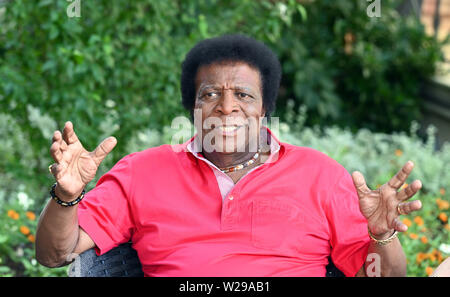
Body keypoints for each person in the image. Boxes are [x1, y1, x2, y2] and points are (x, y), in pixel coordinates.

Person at [36, 34, 423, 277]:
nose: (226, 108)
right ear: (192, 108)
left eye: (243, 95)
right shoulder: (141, 171)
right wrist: (66, 195)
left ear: (265, 107)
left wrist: (382, 234)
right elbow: (55, 254)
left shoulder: (321, 174)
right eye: (209, 95)